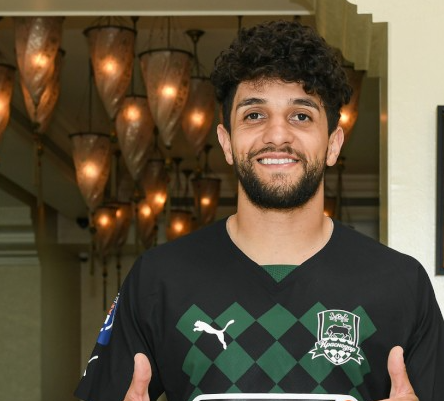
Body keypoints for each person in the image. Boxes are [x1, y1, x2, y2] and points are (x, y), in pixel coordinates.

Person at [75, 20, 444, 401]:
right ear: (226, 142)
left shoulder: (401, 284)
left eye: (301, 116)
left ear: (333, 144)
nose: (277, 135)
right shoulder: (158, 279)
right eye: (254, 115)